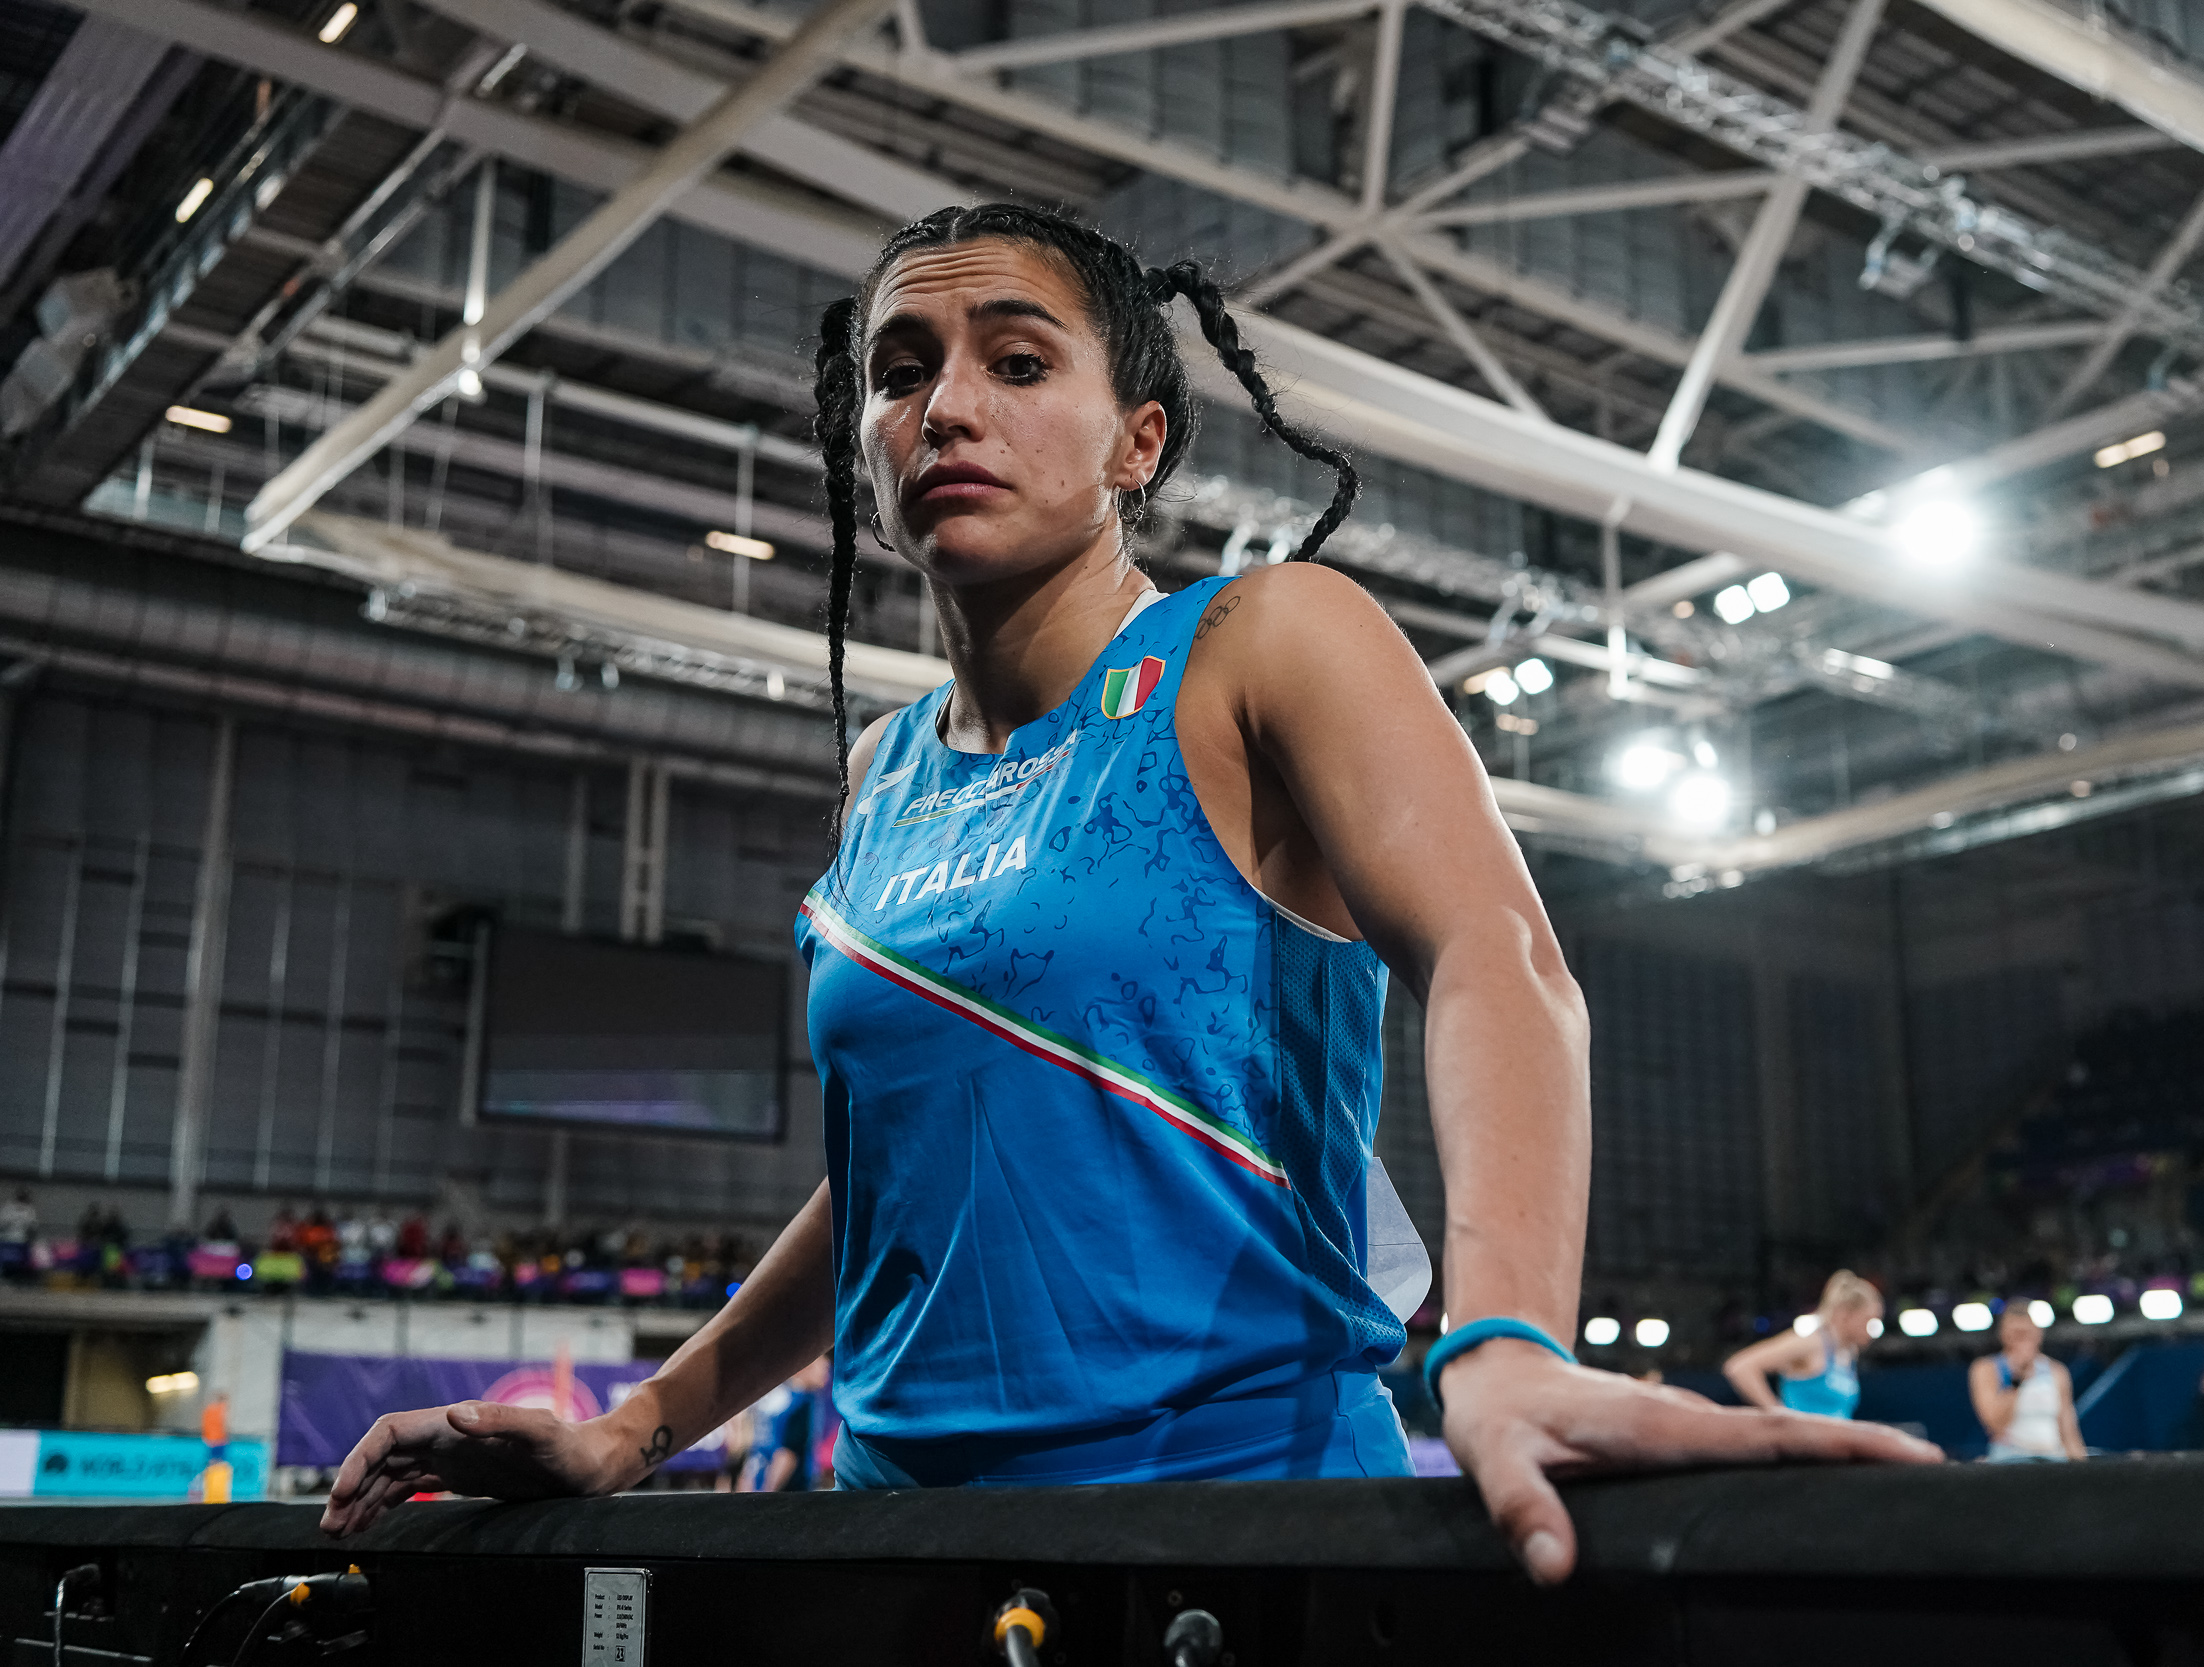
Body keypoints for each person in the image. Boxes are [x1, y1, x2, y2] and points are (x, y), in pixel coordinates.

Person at [316, 203, 1936, 1583]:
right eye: (902, 370)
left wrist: (1506, 1339)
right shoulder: (884, 771)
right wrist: (638, 1424)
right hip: (894, 1537)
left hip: (1229, 1518)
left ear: (1137, 442)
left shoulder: (1260, 644)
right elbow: (892, 1178)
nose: (949, 406)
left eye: (1019, 363)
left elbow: (1495, 956)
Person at [1721, 1271, 1883, 1419]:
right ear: (1845, 1314)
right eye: (1868, 1320)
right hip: (1802, 1442)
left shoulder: (1849, 1352)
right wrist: (1778, 1414)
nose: (1872, 1330)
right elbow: (1740, 1367)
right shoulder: (1810, 1343)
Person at [1970, 1308, 2085, 1462]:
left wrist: (2080, 1464)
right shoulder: (1987, 1368)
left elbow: (2068, 1427)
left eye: (2026, 1333)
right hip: (2010, 1458)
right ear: (2003, 1335)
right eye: (2016, 1334)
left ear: (2038, 1334)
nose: (2021, 1340)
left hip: (2053, 1456)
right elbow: (1994, 1423)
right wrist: (2017, 1379)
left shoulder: (2057, 1371)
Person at [741, 1356, 833, 1494]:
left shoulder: (772, 1399)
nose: (827, 1376)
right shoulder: (802, 1402)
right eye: (823, 1369)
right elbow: (787, 1453)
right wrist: (768, 1493)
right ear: (805, 1368)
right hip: (786, 1489)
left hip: (756, 1480)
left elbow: (754, 1450)